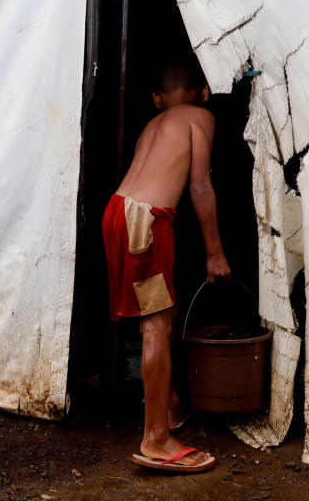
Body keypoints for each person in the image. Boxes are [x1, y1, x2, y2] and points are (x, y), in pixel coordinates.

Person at [102, 65, 231, 474]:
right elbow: (200, 187)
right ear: (205, 92)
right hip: (146, 221)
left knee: (161, 314)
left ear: (158, 98)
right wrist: (215, 252)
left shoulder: (152, 125)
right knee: (156, 324)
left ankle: (170, 406)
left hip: (118, 212)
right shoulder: (201, 117)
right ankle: (155, 438)